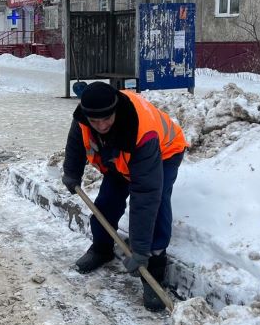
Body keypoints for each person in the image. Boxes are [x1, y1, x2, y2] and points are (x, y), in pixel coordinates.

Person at [61, 82, 188, 311]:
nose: (100, 126)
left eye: (106, 119)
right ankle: (101, 249)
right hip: (121, 158)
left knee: (157, 208)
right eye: (95, 121)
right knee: (107, 202)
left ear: (115, 110)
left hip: (165, 152)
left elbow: (145, 196)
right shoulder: (85, 117)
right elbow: (75, 146)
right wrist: (71, 173)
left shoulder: (142, 133)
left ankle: (153, 274)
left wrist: (139, 250)